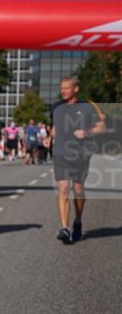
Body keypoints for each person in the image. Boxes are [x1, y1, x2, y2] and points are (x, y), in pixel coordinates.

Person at [50, 76, 106, 244]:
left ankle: (78, 221)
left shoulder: (87, 107)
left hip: (80, 154)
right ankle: (64, 228)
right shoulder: (56, 107)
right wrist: (50, 136)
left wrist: (86, 132)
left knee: (78, 190)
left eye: (67, 88)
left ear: (76, 89)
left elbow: (102, 127)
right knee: (63, 188)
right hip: (60, 153)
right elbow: (55, 127)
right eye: (61, 88)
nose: (63, 91)